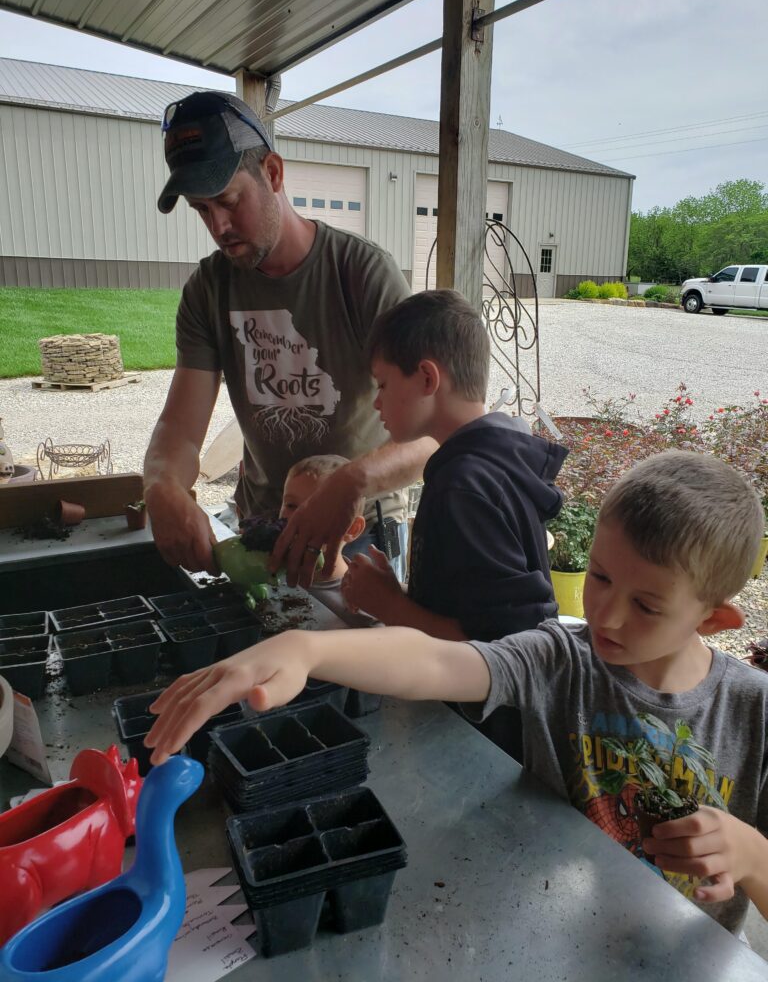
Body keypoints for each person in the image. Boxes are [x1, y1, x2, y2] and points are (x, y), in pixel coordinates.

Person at [145, 450, 768, 936]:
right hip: (557, 937)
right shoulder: (561, 657)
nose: (605, 615)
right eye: (600, 577)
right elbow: (437, 663)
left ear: (713, 620)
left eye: (647, 605)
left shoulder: (752, 707)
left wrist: (750, 854)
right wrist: (308, 649)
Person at [143, 90, 433, 587]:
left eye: (229, 201)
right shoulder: (209, 289)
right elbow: (181, 428)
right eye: (201, 211)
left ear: (273, 173)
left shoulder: (362, 274)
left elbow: (433, 433)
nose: (219, 226)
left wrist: (352, 482)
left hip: (359, 530)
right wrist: (163, 485)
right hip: (263, 524)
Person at [340, 289, 567, 642]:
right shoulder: (495, 461)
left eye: (382, 384)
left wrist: (389, 606)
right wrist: (397, 594)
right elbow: (471, 606)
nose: (377, 403)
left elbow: (509, 646)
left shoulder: (463, 486)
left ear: (428, 379)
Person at [279, 453, 372, 627]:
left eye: (318, 511)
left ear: (353, 528)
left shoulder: (361, 599)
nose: (296, 519)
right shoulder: (268, 574)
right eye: (291, 506)